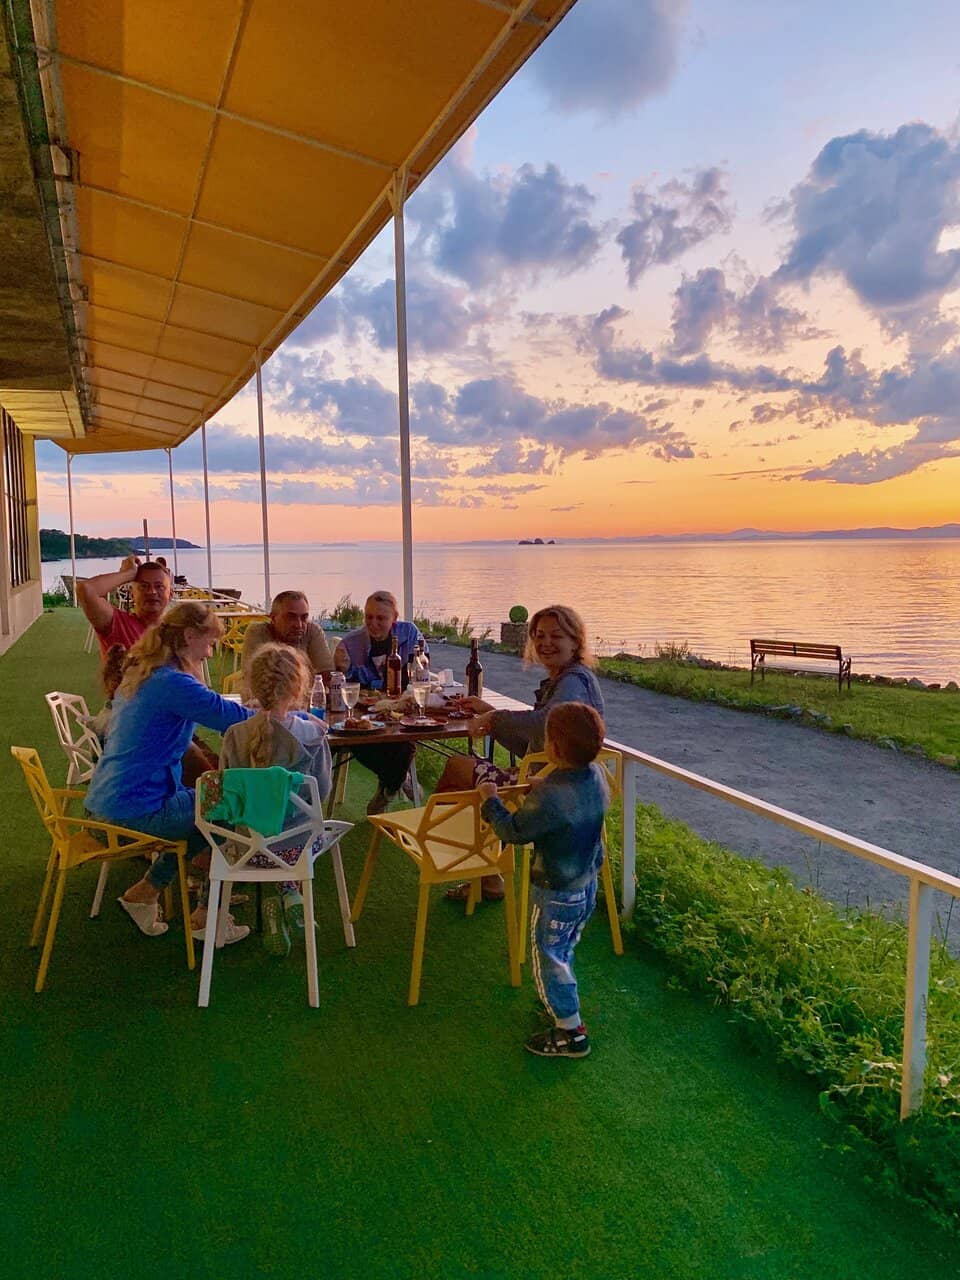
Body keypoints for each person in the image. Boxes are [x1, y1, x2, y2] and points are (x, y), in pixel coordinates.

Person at [85, 601, 255, 942]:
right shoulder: (173, 683)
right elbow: (235, 720)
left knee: (208, 802)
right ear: (189, 636)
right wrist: (294, 715)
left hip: (98, 807)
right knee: (230, 800)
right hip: (134, 812)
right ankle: (209, 917)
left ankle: (146, 892)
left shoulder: (142, 672)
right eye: (208, 644)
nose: (209, 654)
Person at [441, 604, 605, 901]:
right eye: (539, 635)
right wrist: (490, 713)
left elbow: (544, 725)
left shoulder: (573, 681)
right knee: (464, 772)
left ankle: (470, 867)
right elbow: (537, 745)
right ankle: (483, 870)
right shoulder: (567, 679)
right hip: (559, 781)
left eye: (556, 635)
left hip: (548, 791)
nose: (546, 643)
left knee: (457, 769)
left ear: (575, 640)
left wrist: (494, 720)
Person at [479, 701, 610, 1058]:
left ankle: (570, 1030)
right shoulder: (594, 776)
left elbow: (513, 831)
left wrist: (490, 800)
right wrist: (541, 787)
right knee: (564, 949)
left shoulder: (550, 797)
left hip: (556, 892)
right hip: (586, 885)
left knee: (548, 956)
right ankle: (560, 1004)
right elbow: (566, 801)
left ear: (552, 746)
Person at [220, 643, 333, 955]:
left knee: (264, 835)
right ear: (298, 687)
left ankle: (276, 900)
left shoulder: (234, 735)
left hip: (245, 851)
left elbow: (226, 797)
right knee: (304, 833)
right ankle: (288, 891)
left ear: (252, 686)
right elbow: (322, 792)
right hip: (298, 850)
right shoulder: (311, 735)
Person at [333, 590, 425, 815]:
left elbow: (420, 668)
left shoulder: (410, 634)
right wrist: (348, 670)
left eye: (381, 618)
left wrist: (367, 677)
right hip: (363, 714)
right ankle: (397, 781)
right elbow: (346, 685)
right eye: (368, 617)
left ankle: (387, 790)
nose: (373, 624)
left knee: (404, 738)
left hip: (401, 711)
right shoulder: (351, 643)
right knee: (362, 739)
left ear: (395, 618)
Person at [240, 590, 334, 698]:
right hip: (262, 704)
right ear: (273, 618)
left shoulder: (312, 631)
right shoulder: (258, 632)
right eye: (291, 617)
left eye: (304, 618)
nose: (298, 625)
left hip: (303, 705)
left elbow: (327, 676)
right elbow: (254, 679)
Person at [78, 554, 173, 655]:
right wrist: (127, 574)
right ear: (132, 594)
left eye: (159, 586)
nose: (152, 591)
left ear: (170, 594)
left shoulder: (178, 632)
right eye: (144, 586)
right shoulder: (118, 624)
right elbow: (86, 589)